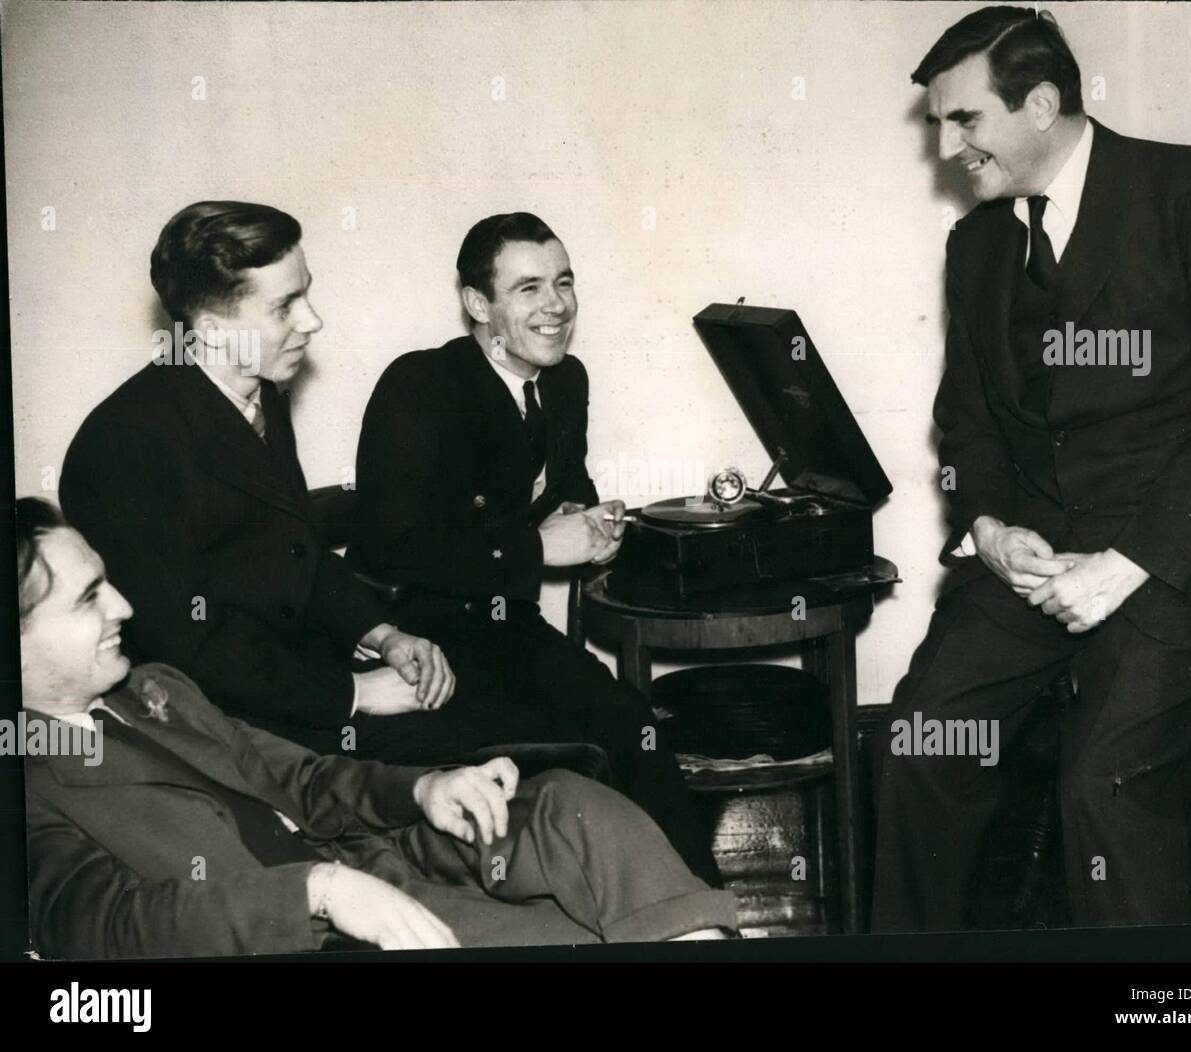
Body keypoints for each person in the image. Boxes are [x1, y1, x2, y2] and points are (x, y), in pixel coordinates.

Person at [872, 7, 1191, 930]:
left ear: (1042, 103)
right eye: (940, 123)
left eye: (963, 119)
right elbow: (968, 423)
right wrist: (988, 527)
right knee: (920, 746)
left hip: (1183, 561)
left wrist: (1124, 565)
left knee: (1102, 782)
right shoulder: (976, 246)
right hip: (1038, 563)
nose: (946, 148)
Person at [18, 498, 738, 958]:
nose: (123, 607)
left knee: (571, 805)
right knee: (586, 937)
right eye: (88, 599)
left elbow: (303, 778)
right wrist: (317, 892)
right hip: (324, 935)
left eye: (106, 581)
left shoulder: (155, 689)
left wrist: (426, 788)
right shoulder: (26, 784)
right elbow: (114, 928)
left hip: (382, 859)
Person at [349, 213, 721, 885]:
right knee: (584, 743)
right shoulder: (421, 385)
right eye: (528, 289)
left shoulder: (565, 380)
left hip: (508, 631)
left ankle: (696, 914)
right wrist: (536, 549)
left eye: (564, 281)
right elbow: (390, 547)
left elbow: (567, 489)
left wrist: (593, 523)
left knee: (631, 724)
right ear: (477, 304)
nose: (556, 306)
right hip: (417, 643)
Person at [59, 201, 454, 751]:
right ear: (213, 330)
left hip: (294, 681)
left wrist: (382, 634)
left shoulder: (261, 390)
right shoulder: (124, 445)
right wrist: (353, 695)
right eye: (285, 306)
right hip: (217, 728)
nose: (312, 320)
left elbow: (295, 552)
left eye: (306, 293)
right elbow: (184, 649)